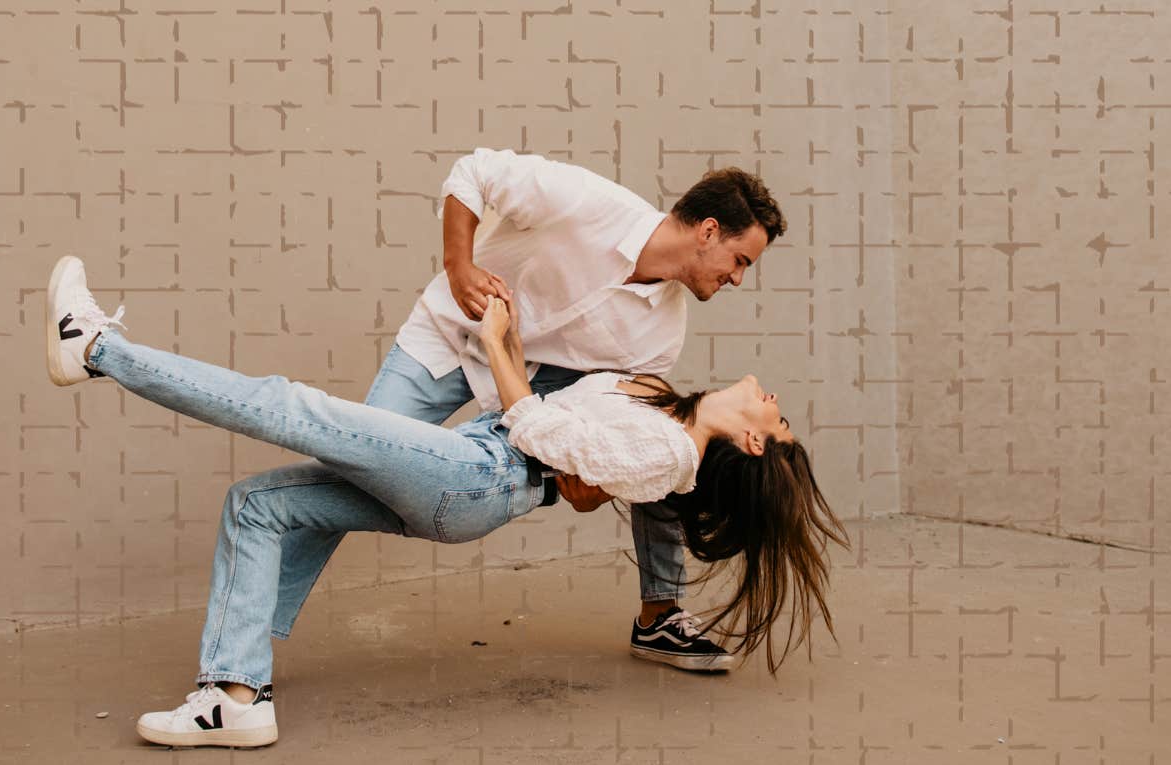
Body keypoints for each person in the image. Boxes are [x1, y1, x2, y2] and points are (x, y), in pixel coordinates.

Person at [45, 256, 848, 748]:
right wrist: (521, 349)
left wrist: (500, 342)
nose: (770, 397)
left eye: (775, 416)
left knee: (292, 406)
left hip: (475, 473)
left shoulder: (674, 451)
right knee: (261, 506)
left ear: (752, 444)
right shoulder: (662, 411)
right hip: (469, 474)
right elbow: (565, 454)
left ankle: (96, 347)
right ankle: (232, 696)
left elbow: (533, 426)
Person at [283, 148, 791, 676]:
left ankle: (659, 615)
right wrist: (460, 266)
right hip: (450, 338)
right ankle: (254, 621)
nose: (737, 280)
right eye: (741, 261)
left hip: (542, 381)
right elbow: (473, 173)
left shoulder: (664, 331)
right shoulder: (591, 203)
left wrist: (595, 484)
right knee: (353, 464)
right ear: (708, 231)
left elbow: (622, 426)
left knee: (670, 434)